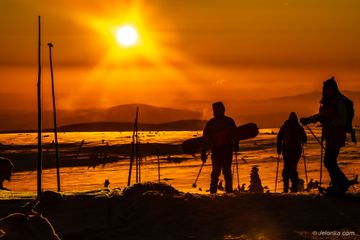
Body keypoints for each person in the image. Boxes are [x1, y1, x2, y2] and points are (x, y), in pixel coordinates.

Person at [300, 77, 358, 194]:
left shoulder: (338, 102)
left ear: (333, 89)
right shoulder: (327, 102)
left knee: (329, 161)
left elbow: (342, 119)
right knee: (329, 161)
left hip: (336, 135)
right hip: (330, 136)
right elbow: (321, 116)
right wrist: (308, 120)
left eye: (328, 89)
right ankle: (338, 184)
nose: (326, 91)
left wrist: (329, 122)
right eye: (325, 89)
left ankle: (341, 183)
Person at [201, 102, 239, 194]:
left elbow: (235, 135)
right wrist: (203, 152)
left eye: (218, 109)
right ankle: (214, 193)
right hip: (218, 151)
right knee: (217, 173)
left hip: (226, 151)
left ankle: (228, 193)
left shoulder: (228, 121)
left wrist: (236, 144)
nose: (216, 111)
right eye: (215, 109)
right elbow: (206, 138)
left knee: (225, 173)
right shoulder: (212, 123)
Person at [277, 112, 307, 193]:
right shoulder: (298, 127)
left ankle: (286, 186)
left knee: (286, 167)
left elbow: (279, 137)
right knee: (293, 167)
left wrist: (279, 149)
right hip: (296, 151)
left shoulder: (285, 126)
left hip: (286, 150)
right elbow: (305, 139)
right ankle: (294, 187)